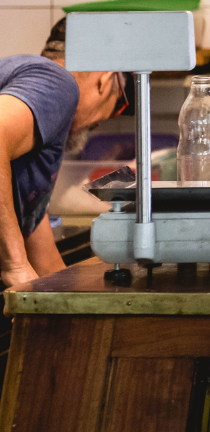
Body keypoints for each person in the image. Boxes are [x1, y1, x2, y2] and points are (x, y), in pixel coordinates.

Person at [0, 20, 128, 288]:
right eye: (119, 106)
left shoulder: (34, 152)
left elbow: (47, 268)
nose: (100, 125)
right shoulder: (58, 82)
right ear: (105, 80)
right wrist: (15, 266)